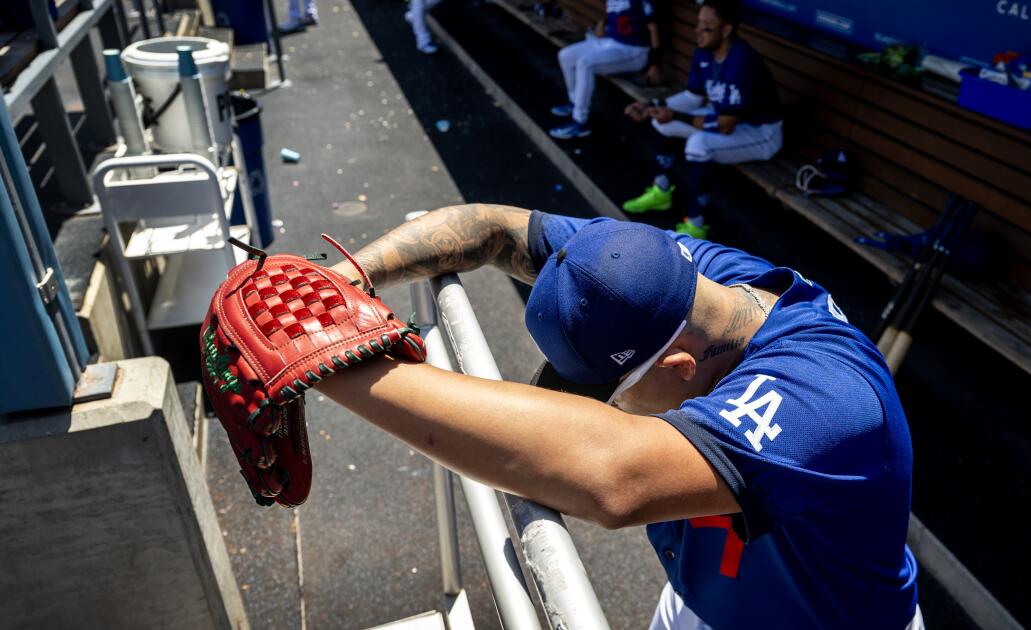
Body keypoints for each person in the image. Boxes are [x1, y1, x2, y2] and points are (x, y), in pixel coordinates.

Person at [316, 204, 922, 629]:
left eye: (613, 389)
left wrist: (330, 364)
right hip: (704, 591)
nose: (595, 406)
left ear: (680, 366)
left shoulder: (828, 392)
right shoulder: (674, 273)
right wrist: (327, 293)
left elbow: (613, 478)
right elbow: (488, 226)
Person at [622, 0, 783, 239]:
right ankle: (662, 191)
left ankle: (696, 225)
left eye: (706, 27)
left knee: (698, 144)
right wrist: (652, 106)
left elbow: (726, 125)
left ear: (726, 30)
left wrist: (675, 114)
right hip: (729, 122)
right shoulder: (705, 51)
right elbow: (693, 97)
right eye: (698, 24)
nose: (697, 30)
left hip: (761, 134)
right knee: (660, 122)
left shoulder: (742, 60)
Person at [549, 0, 664, 140]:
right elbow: (615, 11)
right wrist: (603, 22)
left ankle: (580, 122)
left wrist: (655, 64)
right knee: (565, 55)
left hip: (634, 51)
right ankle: (574, 103)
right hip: (610, 42)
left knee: (585, 64)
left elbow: (654, 29)